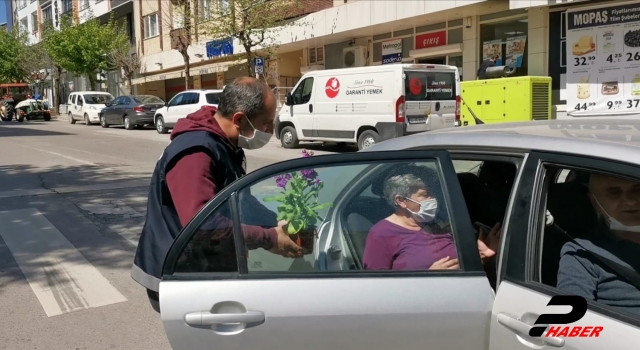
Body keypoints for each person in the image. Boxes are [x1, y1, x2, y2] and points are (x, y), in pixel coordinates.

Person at [131, 77, 304, 312]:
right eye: (266, 123)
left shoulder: (223, 142)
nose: (269, 131)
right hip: (180, 275)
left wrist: (275, 223)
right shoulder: (197, 153)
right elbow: (203, 227)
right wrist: (268, 238)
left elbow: (237, 198)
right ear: (239, 119)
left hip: (202, 267)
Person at [362, 165, 501, 271]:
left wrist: (483, 257)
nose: (433, 199)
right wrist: (429, 276)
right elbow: (378, 290)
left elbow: (460, 270)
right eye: (426, 194)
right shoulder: (381, 234)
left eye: (435, 193)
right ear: (401, 200)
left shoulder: (441, 223)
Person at [557, 173, 640, 316]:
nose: (630, 200)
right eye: (614, 192)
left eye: (638, 189)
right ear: (595, 202)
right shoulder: (581, 253)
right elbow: (569, 320)